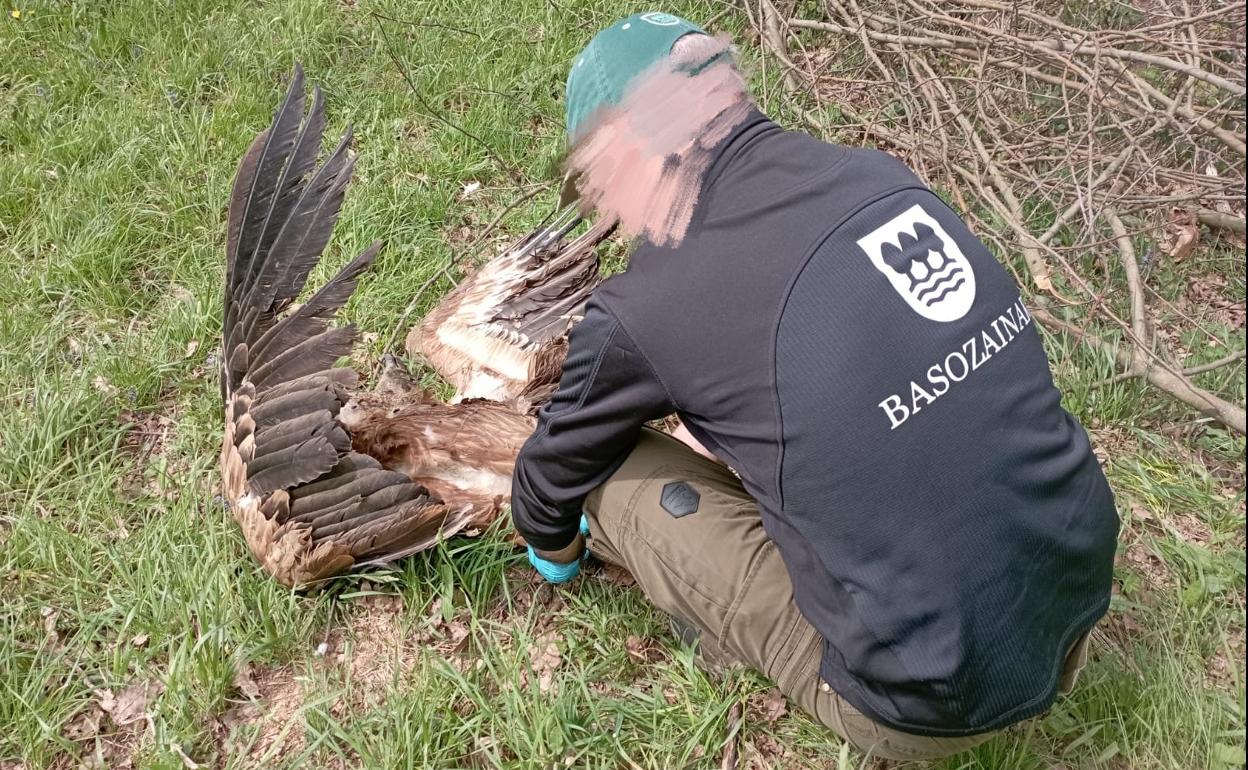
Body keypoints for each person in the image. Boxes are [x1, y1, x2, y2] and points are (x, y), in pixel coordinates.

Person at [510, 11, 1119, 761]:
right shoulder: (879, 178)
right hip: (1080, 593)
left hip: (926, 697)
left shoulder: (651, 302)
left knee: (611, 476)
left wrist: (555, 553)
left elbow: (550, 474)